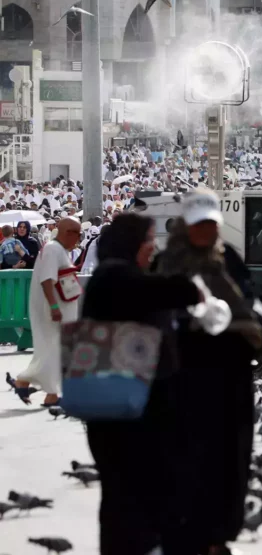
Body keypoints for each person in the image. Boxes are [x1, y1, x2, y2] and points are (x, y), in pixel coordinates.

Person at [155, 188, 262, 555]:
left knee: (229, 458)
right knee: (185, 458)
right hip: (181, 378)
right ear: (186, 225)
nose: (207, 233)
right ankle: (189, 536)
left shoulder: (227, 259)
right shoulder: (167, 264)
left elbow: (250, 309)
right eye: (200, 225)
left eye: (212, 225)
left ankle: (217, 537)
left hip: (229, 377)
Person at [81, 213, 204, 555]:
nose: (153, 247)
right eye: (150, 240)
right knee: (131, 500)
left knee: (130, 499)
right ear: (131, 243)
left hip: (132, 409)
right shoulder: (114, 276)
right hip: (124, 413)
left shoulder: (120, 277)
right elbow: (179, 291)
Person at [13, 218, 82, 406]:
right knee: (54, 349)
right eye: (77, 234)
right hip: (53, 310)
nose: (78, 239)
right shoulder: (53, 249)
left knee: (55, 350)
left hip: (61, 309)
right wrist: (53, 307)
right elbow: (47, 280)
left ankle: (48, 392)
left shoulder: (59, 250)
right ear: (68, 233)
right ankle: (30, 383)